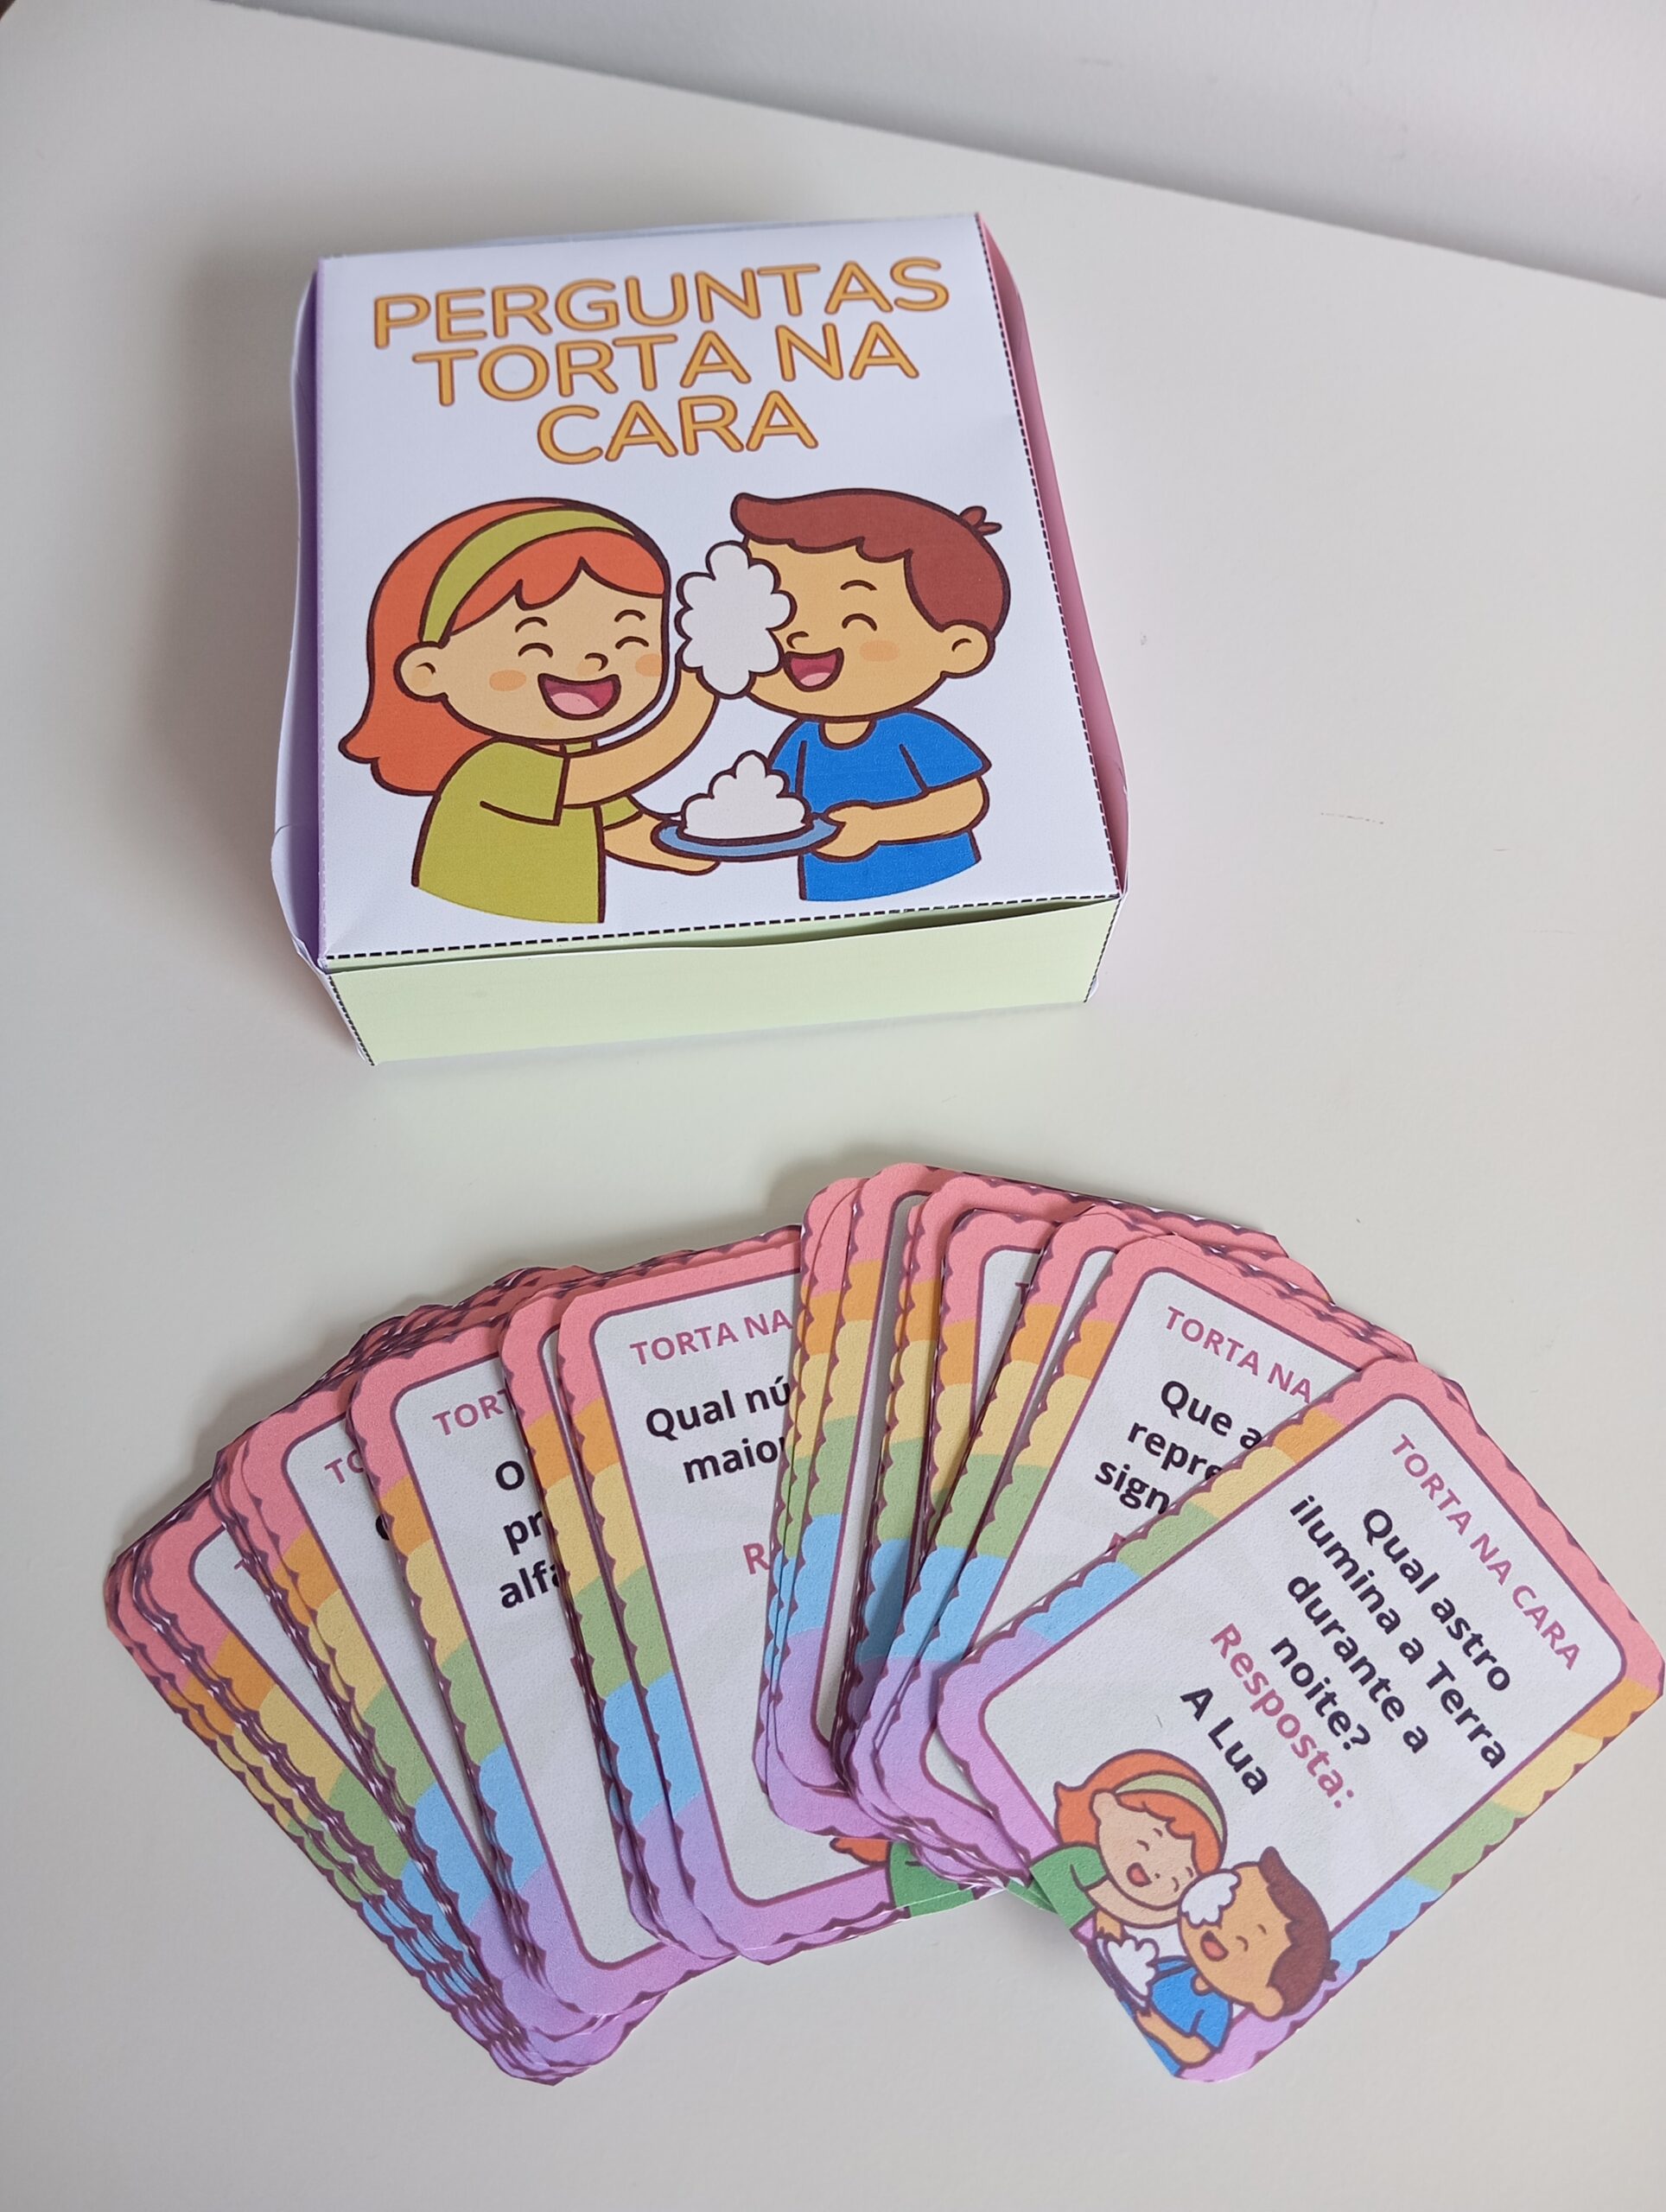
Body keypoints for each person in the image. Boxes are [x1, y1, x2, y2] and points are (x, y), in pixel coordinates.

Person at [340, 499, 716, 925]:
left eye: (630, 639)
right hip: (473, 931)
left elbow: (617, 825)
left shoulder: (576, 746)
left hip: (571, 934)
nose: (594, 660)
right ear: (429, 671)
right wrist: (695, 695)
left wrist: (687, 846)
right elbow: (604, 777)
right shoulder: (491, 766)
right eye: (536, 645)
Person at [730, 487, 1009, 900]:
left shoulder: (910, 733)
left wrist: (878, 826)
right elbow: (778, 804)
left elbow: (964, 802)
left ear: (958, 647)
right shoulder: (801, 741)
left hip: (943, 888)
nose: (799, 634)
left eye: (854, 616)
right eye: (778, 610)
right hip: (829, 895)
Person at [1123, 1853, 1336, 2075]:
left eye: (1250, 1938)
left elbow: (1198, 2051)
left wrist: (1160, 2031)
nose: (1220, 1922)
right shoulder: (1181, 1966)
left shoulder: (1215, 2009)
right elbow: (1144, 1971)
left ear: (1267, 1999)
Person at [1026, 1751, 1228, 1947]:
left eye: (1179, 1879)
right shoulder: (1086, 1862)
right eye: (1146, 1843)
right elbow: (1062, 1881)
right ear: (1106, 1806)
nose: (1156, 1871)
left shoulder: (1123, 1910)